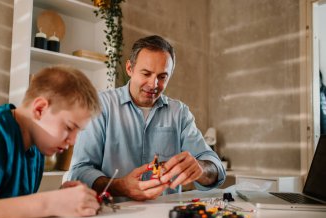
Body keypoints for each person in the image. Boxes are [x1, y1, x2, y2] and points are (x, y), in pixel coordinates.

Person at [67, 35, 226, 201]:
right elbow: (79, 171)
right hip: (113, 216)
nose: (153, 84)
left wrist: (201, 168)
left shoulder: (179, 113)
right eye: (146, 73)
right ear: (129, 68)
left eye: (162, 76)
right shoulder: (101, 105)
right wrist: (122, 186)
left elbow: (215, 169)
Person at [0, 66, 101, 218]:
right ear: (40, 109)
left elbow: (9, 208)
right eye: (70, 127)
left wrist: (61, 199)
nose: (73, 141)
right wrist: (48, 202)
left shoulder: (36, 147)